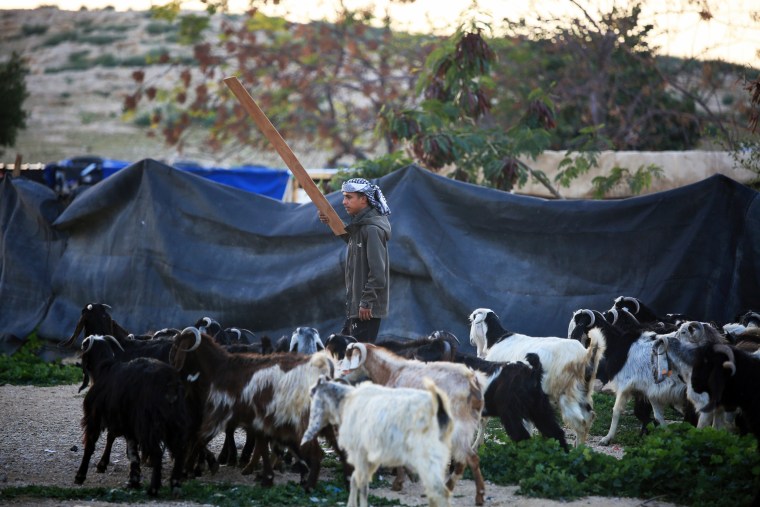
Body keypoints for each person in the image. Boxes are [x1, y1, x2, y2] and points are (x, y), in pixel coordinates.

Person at [318, 177, 391, 343]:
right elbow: (351, 239)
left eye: (349, 197)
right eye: (344, 197)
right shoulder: (362, 226)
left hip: (365, 310)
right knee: (344, 354)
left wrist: (367, 302)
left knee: (357, 360)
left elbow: (378, 272)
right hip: (357, 306)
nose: (344, 202)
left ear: (364, 199)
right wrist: (331, 221)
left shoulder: (372, 229)